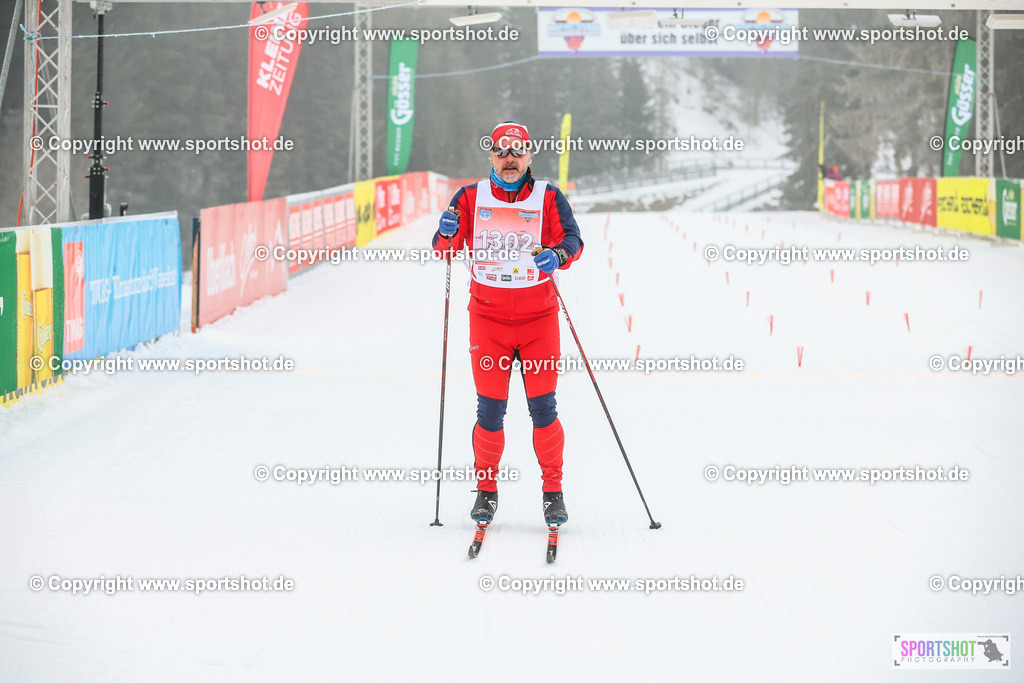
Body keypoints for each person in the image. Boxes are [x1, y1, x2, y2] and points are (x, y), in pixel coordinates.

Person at [431, 121, 584, 527]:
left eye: (517, 151)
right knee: (490, 410)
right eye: (502, 151)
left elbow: (574, 241)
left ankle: (553, 493)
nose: (510, 158)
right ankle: (486, 491)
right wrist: (444, 233)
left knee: (544, 408)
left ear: (530, 155)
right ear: (491, 156)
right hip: (488, 320)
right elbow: (444, 247)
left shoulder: (548, 196)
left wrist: (559, 256)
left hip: (539, 320)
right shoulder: (469, 197)